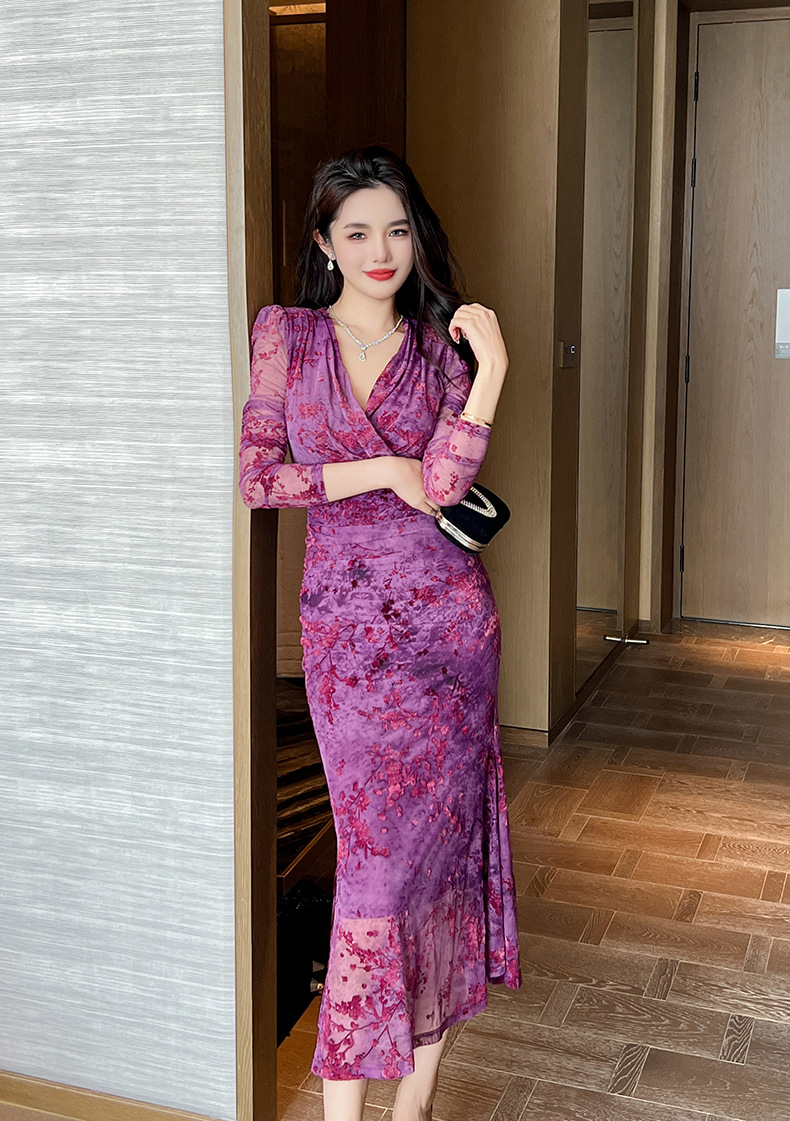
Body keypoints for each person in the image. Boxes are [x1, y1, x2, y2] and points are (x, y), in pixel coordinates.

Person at [238, 146, 522, 1121]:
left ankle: (412, 1106)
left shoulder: (438, 348)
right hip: (348, 640)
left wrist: (490, 372)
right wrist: (378, 470)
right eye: (356, 230)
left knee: (436, 862)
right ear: (324, 240)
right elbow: (259, 479)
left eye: (396, 229)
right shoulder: (286, 335)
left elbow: (444, 485)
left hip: (448, 627)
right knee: (372, 868)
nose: (380, 249)